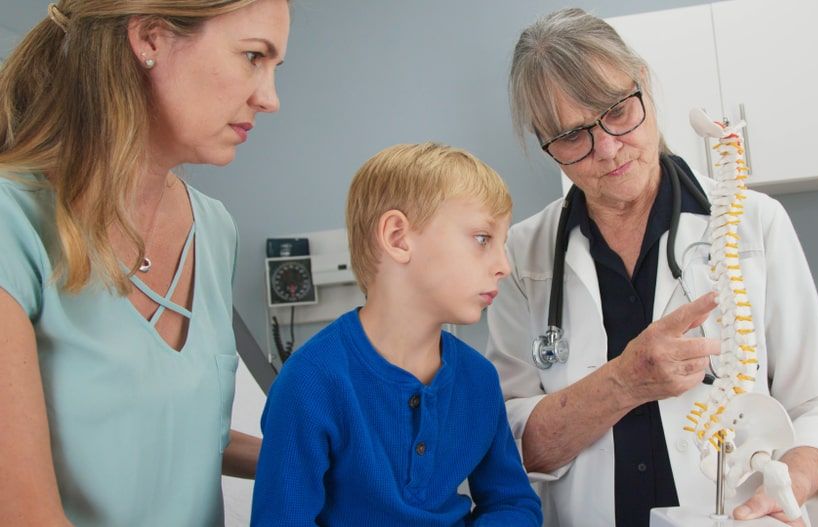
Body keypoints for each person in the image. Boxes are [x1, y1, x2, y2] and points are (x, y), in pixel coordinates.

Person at [485, 8, 818, 527]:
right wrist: (623, 382)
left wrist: (787, 487)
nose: (607, 148)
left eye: (618, 111)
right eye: (572, 136)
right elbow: (513, 446)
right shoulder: (521, 257)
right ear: (545, 144)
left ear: (643, 84)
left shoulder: (753, 223)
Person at [0, 1, 289, 525]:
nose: (269, 99)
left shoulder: (214, 228)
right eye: (253, 56)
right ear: (151, 39)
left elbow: (178, 435)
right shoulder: (12, 224)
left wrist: (330, 462)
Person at [251, 143, 543, 526]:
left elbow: (514, 504)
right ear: (398, 238)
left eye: (502, 245)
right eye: (482, 238)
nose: (504, 266)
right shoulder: (310, 383)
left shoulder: (479, 379)